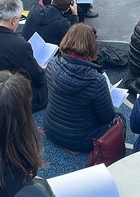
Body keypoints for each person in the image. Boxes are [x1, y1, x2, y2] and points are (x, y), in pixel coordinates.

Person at [44, 23, 116, 153]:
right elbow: (107, 117)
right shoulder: (96, 80)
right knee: (119, 119)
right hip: (82, 140)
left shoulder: (52, 63)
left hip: (50, 128)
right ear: (92, 46)